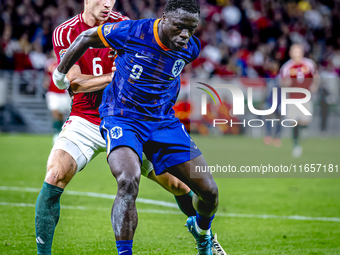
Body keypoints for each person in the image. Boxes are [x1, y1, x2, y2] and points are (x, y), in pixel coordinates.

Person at [36, 1, 225, 255]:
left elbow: (166, 68)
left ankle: (206, 236)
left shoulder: (125, 24)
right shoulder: (67, 31)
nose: (107, 4)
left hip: (142, 119)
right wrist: (112, 78)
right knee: (56, 174)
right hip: (91, 117)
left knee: (182, 186)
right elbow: (76, 84)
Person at [279, 44, 318, 157]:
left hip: (306, 97)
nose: (296, 54)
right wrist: (285, 84)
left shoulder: (309, 64)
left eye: (298, 51)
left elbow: (315, 76)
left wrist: (314, 85)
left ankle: (304, 129)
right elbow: (281, 82)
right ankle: (296, 145)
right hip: (292, 99)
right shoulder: (286, 67)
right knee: (293, 122)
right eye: (294, 51)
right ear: (290, 53)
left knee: (305, 120)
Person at [44, 51, 71, 143]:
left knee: (61, 114)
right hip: (52, 92)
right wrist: (46, 82)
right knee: (54, 110)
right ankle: (56, 133)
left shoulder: (66, 62)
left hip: (64, 92)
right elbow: (47, 76)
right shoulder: (50, 64)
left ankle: (62, 132)